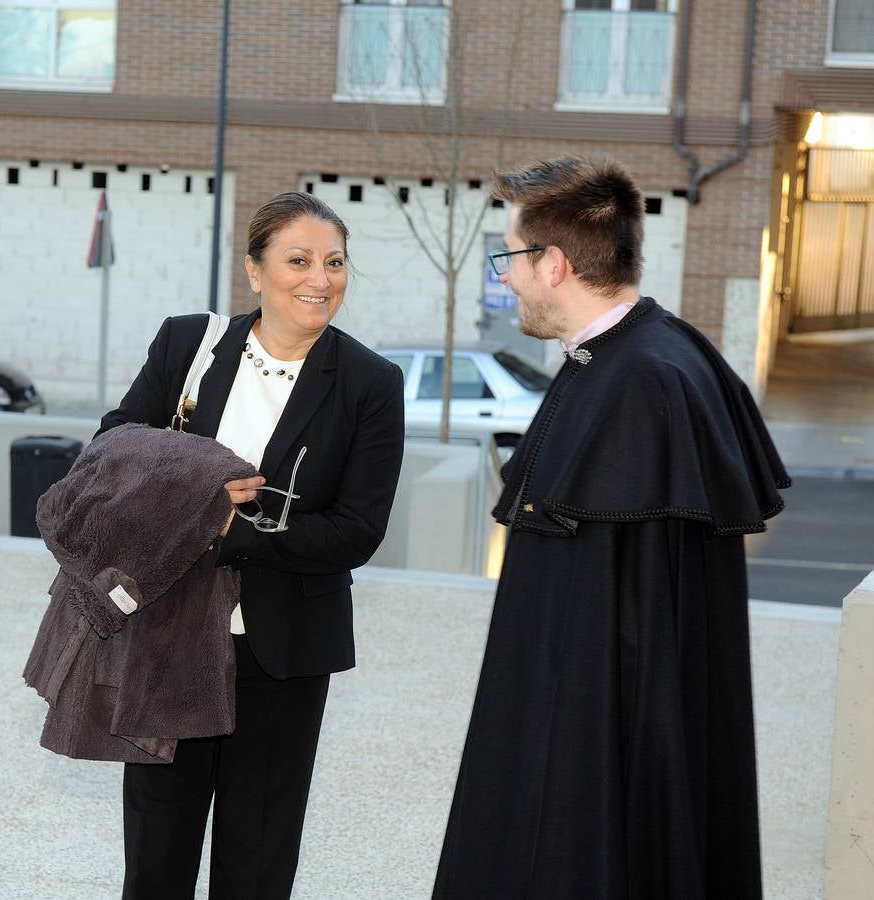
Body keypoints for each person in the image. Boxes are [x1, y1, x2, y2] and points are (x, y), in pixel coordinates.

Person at [432, 157, 789, 899]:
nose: (507, 278)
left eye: (509, 257)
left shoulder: (646, 380)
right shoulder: (651, 355)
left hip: (599, 750)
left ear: (553, 262)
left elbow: (626, 623)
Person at [100, 191, 406, 899]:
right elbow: (110, 455)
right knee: (156, 855)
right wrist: (196, 494)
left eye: (334, 262)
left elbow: (358, 531)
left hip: (286, 652)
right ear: (255, 271)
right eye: (298, 260)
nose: (319, 278)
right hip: (170, 634)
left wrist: (229, 530)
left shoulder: (371, 384)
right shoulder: (188, 346)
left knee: (259, 859)